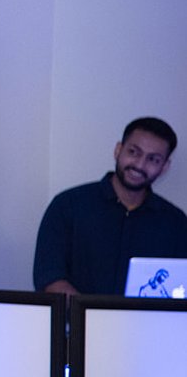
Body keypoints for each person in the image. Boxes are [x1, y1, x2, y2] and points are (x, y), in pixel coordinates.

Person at [33, 117, 187, 295]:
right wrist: (89, 312)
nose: (139, 165)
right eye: (133, 152)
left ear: (165, 167)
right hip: (76, 314)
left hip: (146, 316)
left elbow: (180, 287)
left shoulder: (176, 223)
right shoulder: (68, 206)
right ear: (118, 150)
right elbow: (49, 277)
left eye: (153, 159)